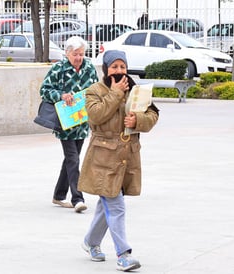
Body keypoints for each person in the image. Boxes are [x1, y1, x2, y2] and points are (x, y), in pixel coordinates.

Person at [78, 50, 159, 271]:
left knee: (108, 204)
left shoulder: (136, 89)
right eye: (114, 67)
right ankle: (124, 255)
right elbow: (95, 116)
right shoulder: (94, 91)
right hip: (103, 157)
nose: (119, 71)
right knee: (116, 205)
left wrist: (138, 120)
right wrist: (114, 94)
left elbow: (153, 115)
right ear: (106, 69)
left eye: (122, 67)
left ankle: (90, 242)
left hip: (127, 156)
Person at [39, 36, 98, 213]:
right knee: (73, 159)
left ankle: (59, 194)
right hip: (65, 123)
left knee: (71, 159)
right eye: (75, 54)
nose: (79, 58)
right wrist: (61, 95)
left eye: (81, 54)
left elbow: (96, 90)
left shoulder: (89, 68)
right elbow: (44, 90)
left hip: (82, 122)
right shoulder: (58, 68)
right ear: (67, 54)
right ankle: (77, 198)